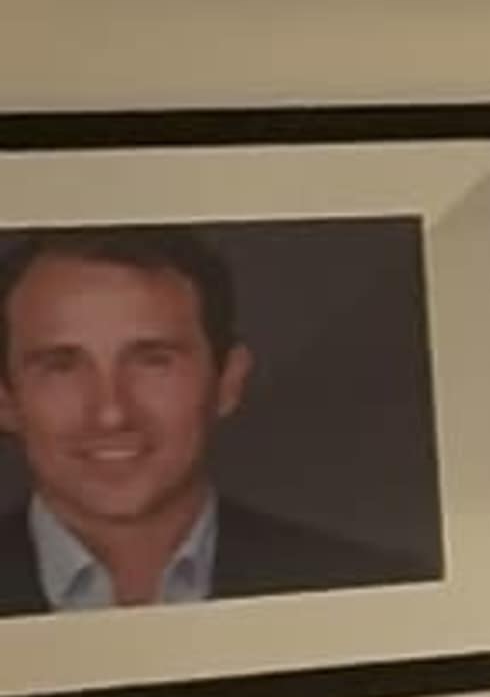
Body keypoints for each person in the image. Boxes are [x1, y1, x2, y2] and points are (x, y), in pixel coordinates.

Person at [0, 228, 419, 613]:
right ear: (5, 400)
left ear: (227, 382)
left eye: (153, 362)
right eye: (61, 367)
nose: (111, 414)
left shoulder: (380, 590)